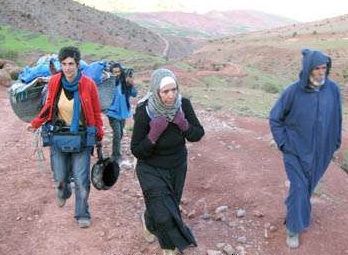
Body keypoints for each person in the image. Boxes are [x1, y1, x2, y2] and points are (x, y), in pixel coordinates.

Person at [269, 49, 342, 248]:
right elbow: (275, 119)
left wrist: (335, 142)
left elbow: (337, 116)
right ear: (308, 69)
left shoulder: (333, 90)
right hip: (295, 151)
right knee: (300, 187)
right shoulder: (293, 91)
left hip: (321, 152)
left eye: (323, 68)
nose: (320, 72)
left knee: (306, 188)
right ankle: (293, 228)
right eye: (316, 68)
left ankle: (295, 209)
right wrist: (284, 143)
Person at [27, 46, 104, 228]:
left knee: (81, 179)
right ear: (60, 65)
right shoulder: (55, 82)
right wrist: (36, 122)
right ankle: (63, 191)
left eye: (71, 64)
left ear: (77, 65)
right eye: (64, 64)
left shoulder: (88, 84)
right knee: (60, 176)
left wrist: (99, 132)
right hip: (59, 135)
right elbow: (48, 107)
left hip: (82, 136)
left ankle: (82, 213)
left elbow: (95, 111)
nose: (68, 68)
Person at [131, 68, 204, 255]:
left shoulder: (183, 105)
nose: (171, 95)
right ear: (156, 91)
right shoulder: (145, 110)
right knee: (164, 213)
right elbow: (137, 150)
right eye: (165, 92)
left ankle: (148, 222)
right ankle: (168, 248)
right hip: (151, 168)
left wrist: (184, 124)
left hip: (177, 166)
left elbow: (197, 134)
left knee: (168, 205)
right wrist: (152, 135)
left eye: (174, 90)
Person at [106, 63, 137, 163]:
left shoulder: (125, 83)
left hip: (123, 113)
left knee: (120, 133)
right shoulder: (109, 83)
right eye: (114, 72)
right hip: (112, 113)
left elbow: (134, 94)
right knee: (117, 133)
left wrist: (131, 84)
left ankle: (116, 150)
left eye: (118, 72)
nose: (117, 74)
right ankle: (116, 156)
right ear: (111, 73)